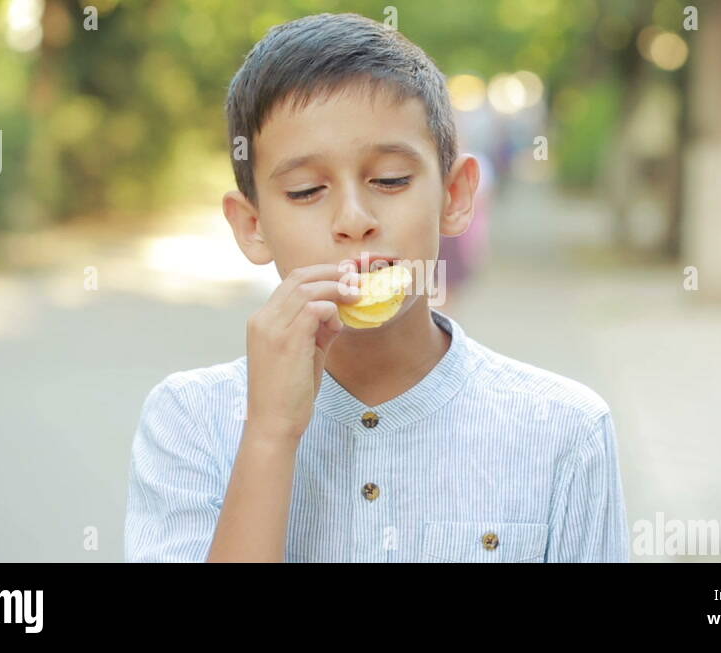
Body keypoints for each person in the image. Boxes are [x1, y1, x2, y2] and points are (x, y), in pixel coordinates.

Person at [124, 13, 629, 563]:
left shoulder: (564, 432)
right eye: (306, 189)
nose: (354, 219)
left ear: (456, 196)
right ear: (252, 226)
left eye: (389, 180)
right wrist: (269, 435)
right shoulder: (190, 420)